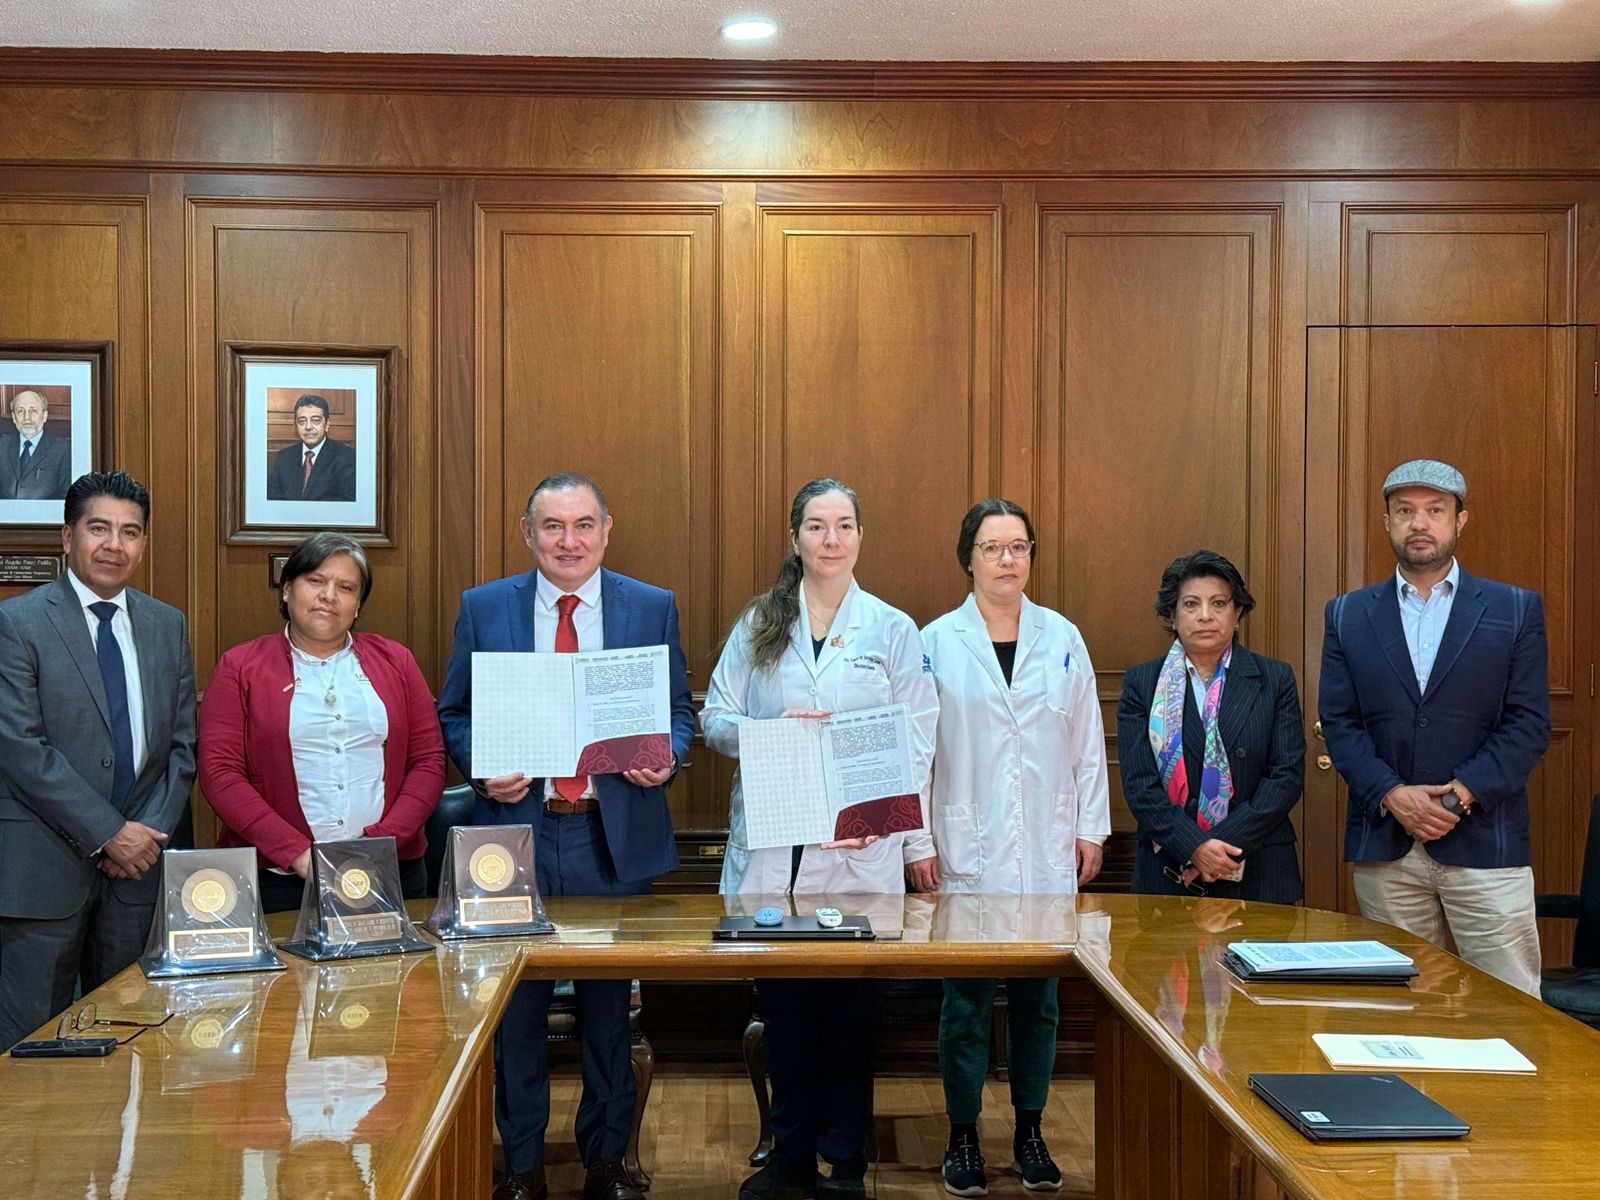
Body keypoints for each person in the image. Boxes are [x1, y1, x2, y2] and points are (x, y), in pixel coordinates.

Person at [438, 472, 695, 1200]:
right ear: (529, 534)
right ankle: (521, 1165)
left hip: (610, 837)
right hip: (514, 835)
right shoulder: (486, 607)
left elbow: (679, 710)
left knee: (609, 1012)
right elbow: (453, 712)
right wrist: (483, 767)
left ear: (607, 530)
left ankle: (606, 1160)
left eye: (584, 525)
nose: (569, 541)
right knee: (515, 1010)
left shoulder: (651, 605)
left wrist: (668, 758)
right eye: (553, 526)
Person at [702, 477, 939, 1200]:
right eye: (816, 525)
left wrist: (882, 823)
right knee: (787, 1018)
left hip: (858, 854)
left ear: (861, 536)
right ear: (796, 537)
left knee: (849, 1017)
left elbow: (918, 739)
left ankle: (845, 1163)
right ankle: (790, 1158)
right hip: (777, 852)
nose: (830, 539)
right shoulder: (759, 623)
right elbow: (714, 720)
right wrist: (766, 732)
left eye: (843, 525)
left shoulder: (892, 629)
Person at [920, 498, 1110, 1197]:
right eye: (993, 547)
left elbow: (1086, 741)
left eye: (1019, 547)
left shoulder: (1062, 637)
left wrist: (1090, 828)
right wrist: (916, 839)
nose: (1007, 559)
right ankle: (962, 1136)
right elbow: (917, 752)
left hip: (1046, 848)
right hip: (963, 843)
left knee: (1040, 999)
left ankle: (1031, 1131)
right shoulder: (936, 641)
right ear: (968, 557)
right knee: (965, 1002)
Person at [1320, 460, 1550, 996]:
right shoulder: (1347, 615)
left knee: (1511, 1006)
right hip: (1387, 849)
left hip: (1487, 846)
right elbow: (1341, 723)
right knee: (1399, 1009)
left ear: (1459, 521)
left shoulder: (1515, 609)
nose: (1419, 523)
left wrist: (1458, 797)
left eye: (1435, 510)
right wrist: (1392, 795)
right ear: (1387, 522)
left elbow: (1529, 722)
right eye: (1405, 511)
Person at [0, 471, 197, 1051]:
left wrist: (145, 837)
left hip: (138, 876)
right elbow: (21, 750)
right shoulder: (17, 623)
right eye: (99, 528)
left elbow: (182, 748)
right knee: (30, 1047)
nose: (115, 545)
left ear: (143, 543)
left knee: (130, 1040)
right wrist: (110, 834)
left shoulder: (167, 624)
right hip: (43, 874)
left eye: (130, 532)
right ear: (68, 538)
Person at [197, 532, 445, 914]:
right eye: (316, 581)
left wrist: (383, 844)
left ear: (357, 606)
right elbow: (220, 773)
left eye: (346, 588)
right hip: (278, 879)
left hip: (389, 871)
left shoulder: (397, 661)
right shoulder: (240, 667)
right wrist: (297, 854)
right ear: (287, 589)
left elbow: (428, 761)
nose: (329, 595)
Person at [1117, 550, 1306, 904]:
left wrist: (1220, 847)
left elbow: (1285, 776)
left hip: (1259, 865)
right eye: (1191, 604)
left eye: (1219, 603)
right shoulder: (1143, 683)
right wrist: (1193, 846)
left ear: (1238, 613)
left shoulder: (1274, 678)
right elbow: (1139, 784)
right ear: (1172, 615)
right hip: (1169, 868)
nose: (1205, 615)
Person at [267, 394, 357, 502]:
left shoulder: (347, 457)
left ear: (327, 424)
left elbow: (349, 503)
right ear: (295, 425)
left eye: (315, 420)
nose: (308, 427)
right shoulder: (284, 457)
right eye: (302, 421)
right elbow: (273, 500)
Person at [0, 388, 72, 500]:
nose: (27, 417)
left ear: (44, 416)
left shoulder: (63, 450)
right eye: (20, 411)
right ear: (14, 418)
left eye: (33, 411)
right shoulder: (2, 446)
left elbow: (67, 496)